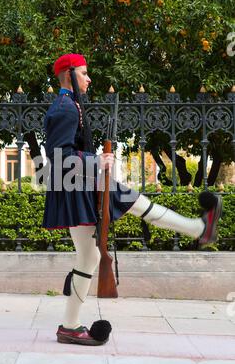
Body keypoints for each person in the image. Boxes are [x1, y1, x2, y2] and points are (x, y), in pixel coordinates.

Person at [42, 53, 222, 346]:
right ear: (69, 75)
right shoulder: (66, 108)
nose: (89, 79)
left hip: (81, 184)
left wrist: (94, 161)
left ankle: (70, 326)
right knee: (129, 210)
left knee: (91, 254)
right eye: (85, 73)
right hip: (77, 185)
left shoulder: (72, 105)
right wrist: (97, 160)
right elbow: (58, 156)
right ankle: (200, 229)